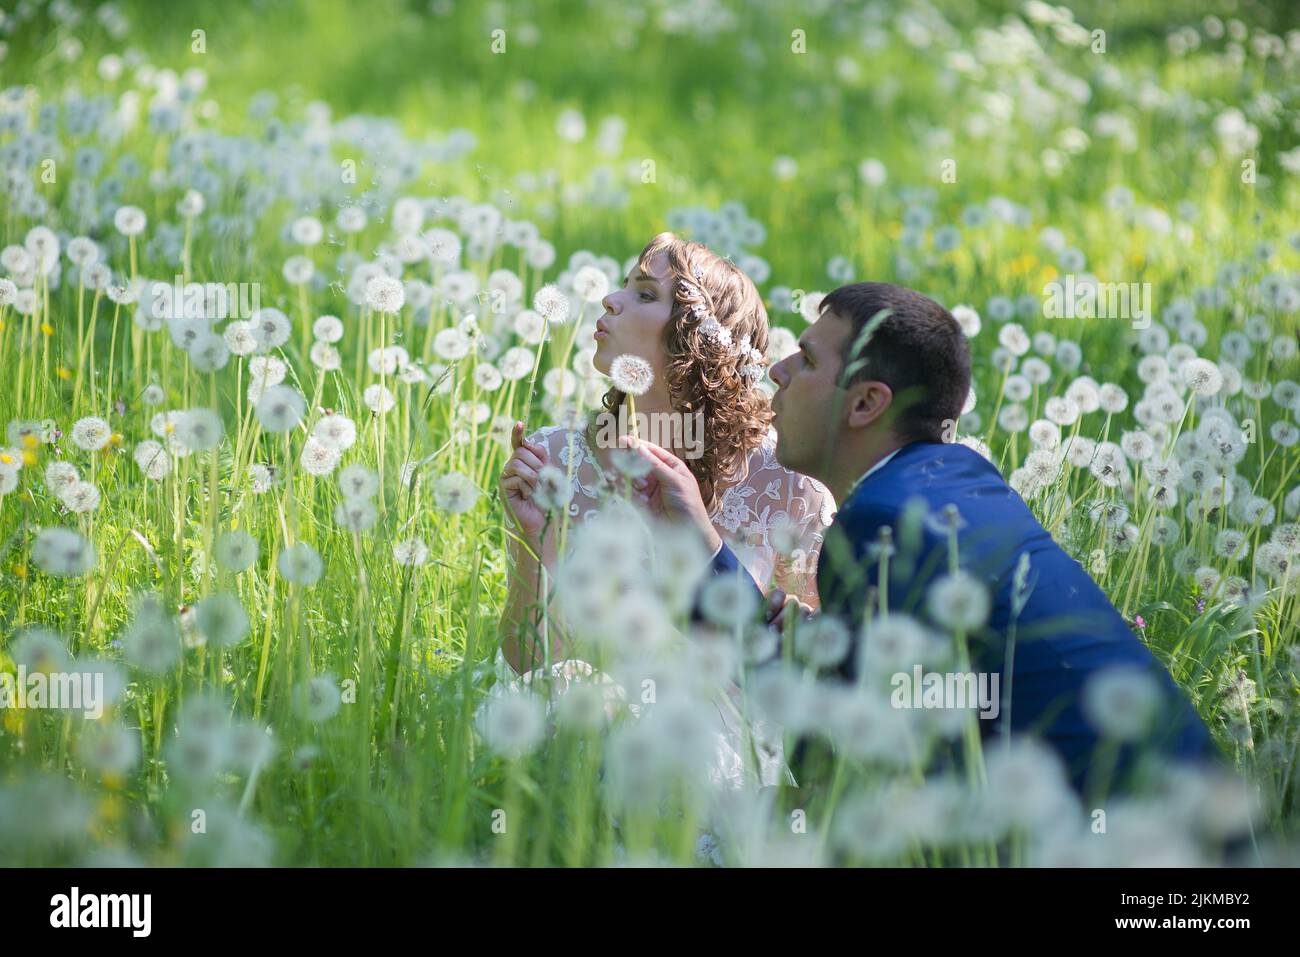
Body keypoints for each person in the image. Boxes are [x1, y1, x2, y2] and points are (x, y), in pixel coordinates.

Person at [625, 280, 1222, 800]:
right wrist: (705, 545)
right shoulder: (958, 481)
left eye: (806, 361)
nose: (777, 370)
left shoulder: (879, 523)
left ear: (864, 403)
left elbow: (843, 757)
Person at [496, 232, 834, 788]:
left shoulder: (789, 484)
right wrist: (533, 541)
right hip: (581, 740)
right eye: (625, 285)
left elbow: (806, 668)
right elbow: (530, 664)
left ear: (696, 342)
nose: (610, 299)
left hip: (729, 758)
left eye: (646, 294)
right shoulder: (557, 458)